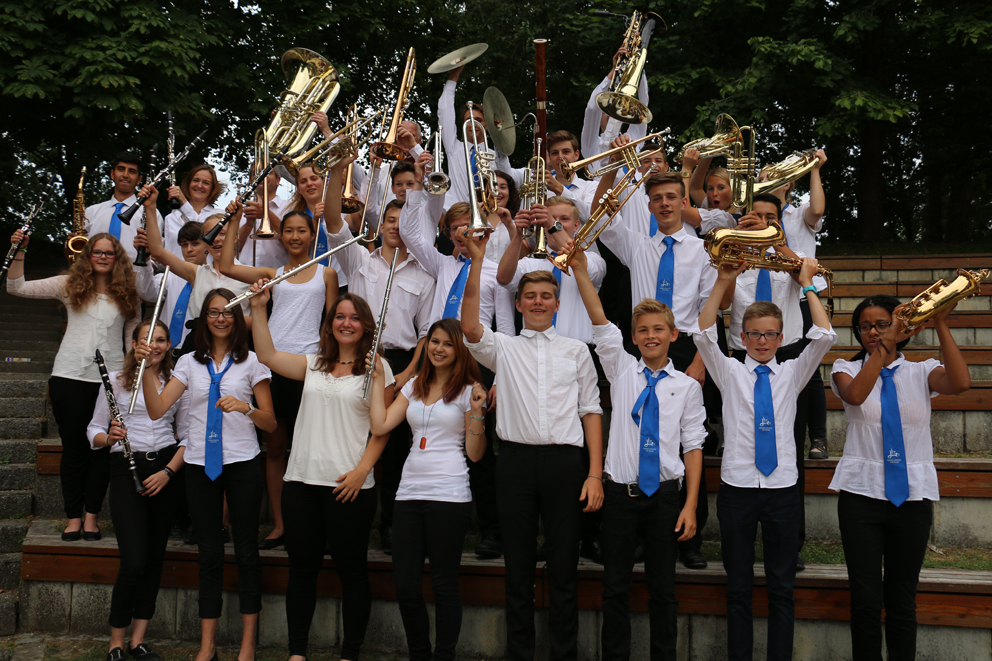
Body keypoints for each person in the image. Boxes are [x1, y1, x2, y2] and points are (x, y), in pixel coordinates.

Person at [461, 232, 604, 661]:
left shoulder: (577, 351)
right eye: (530, 297)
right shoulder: (503, 349)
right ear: (519, 304)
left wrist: (594, 473)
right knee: (518, 568)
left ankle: (564, 655)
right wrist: (477, 261)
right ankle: (519, 654)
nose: (538, 302)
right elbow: (469, 326)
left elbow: (591, 412)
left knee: (563, 568)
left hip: (565, 464)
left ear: (557, 304)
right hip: (516, 465)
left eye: (546, 296)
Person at [689, 258, 835, 661]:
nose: (762, 341)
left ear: (781, 337)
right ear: (743, 336)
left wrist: (807, 285)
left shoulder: (793, 372)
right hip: (737, 490)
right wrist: (723, 281)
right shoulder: (729, 371)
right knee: (737, 588)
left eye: (770, 334)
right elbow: (702, 333)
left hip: (782, 490)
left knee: (781, 589)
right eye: (754, 334)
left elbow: (824, 335)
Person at [570, 245, 705, 660]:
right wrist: (580, 269)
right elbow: (598, 318)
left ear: (673, 335)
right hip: (620, 497)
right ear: (633, 337)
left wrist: (690, 505)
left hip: (664, 497)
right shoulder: (621, 369)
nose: (650, 336)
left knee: (664, 589)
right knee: (615, 588)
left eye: (658, 329)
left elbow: (693, 448)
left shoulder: (687, 387)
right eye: (643, 330)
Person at [249, 286, 393, 661]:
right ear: (329, 325)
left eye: (354, 318)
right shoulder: (312, 364)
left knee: (352, 572)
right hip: (300, 484)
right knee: (302, 571)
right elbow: (266, 355)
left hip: (349, 486)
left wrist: (363, 471)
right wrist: (259, 307)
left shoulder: (377, 367)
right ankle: (297, 652)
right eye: (339, 317)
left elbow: (381, 430)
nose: (346, 323)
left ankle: (350, 654)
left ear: (366, 326)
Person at [594, 157, 725, 569]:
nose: (665, 204)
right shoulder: (637, 245)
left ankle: (690, 538)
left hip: (686, 348)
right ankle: (639, 531)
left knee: (689, 440)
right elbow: (599, 215)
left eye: (672, 197)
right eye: (657, 199)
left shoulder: (703, 251)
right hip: (643, 345)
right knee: (638, 433)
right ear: (649, 205)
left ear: (684, 202)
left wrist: (701, 362)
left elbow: (709, 311)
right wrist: (612, 165)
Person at [138, 288, 276, 661]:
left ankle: (247, 647)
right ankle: (207, 646)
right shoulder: (187, 363)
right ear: (204, 319)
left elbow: (271, 423)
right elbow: (157, 410)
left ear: (237, 319)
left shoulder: (252, 362)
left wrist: (246, 408)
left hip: (242, 463)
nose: (220, 318)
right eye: (213, 312)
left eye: (228, 311)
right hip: (200, 466)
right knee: (209, 555)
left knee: (246, 553)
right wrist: (148, 370)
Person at [830, 296, 970, 660]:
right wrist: (886, 344)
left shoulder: (922, 371)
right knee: (865, 600)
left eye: (881, 324)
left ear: (902, 328)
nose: (873, 332)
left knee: (902, 600)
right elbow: (856, 396)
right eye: (865, 326)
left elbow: (961, 382)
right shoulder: (846, 368)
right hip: (861, 495)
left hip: (911, 497)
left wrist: (940, 322)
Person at [324, 157, 436, 554]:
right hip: (357, 358)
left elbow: (426, 334)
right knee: (350, 438)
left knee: (397, 448)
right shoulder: (359, 259)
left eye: (403, 221)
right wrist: (338, 171)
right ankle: (341, 521)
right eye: (390, 219)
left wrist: (407, 375)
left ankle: (391, 526)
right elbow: (333, 222)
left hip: (402, 364)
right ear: (382, 224)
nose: (395, 226)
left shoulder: (425, 275)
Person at [219, 199, 338, 549]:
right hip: (270, 365)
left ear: (312, 235)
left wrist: (329, 363)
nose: (295, 236)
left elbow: (331, 324)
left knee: (312, 446)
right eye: (288, 231)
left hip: (308, 367)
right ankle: (280, 525)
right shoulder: (272, 274)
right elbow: (226, 266)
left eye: (302, 230)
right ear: (281, 236)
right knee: (274, 447)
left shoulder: (326, 273)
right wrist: (234, 219)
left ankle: (313, 526)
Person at [6, 230, 140, 541]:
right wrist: (20, 250)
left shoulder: (128, 294)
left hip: (109, 381)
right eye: (97, 252)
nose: (103, 257)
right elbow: (16, 287)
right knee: (75, 450)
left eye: (109, 253)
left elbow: (131, 342)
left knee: (101, 450)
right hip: (69, 377)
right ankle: (73, 518)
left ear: (117, 258)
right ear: (88, 256)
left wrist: (128, 379)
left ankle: (91, 517)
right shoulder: (69, 284)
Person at [367, 318, 487, 661]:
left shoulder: (468, 390)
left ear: (459, 349)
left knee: (444, 584)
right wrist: (378, 380)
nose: (439, 348)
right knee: (406, 586)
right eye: (434, 341)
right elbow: (380, 424)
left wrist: (477, 413)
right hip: (408, 494)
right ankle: (419, 655)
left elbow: (475, 454)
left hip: (449, 494)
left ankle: (444, 656)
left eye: (448, 343)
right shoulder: (414, 385)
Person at [87, 320, 185, 661]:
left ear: (168, 345)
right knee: (133, 561)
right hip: (125, 469)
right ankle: (116, 641)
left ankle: (137, 640)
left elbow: (188, 435)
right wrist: (108, 437)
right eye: (147, 339)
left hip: (164, 471)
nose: (154, 345)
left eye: (161, 339)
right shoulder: (116, 380)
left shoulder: (177, 382)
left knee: (154, 559)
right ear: (133, 344)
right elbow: (94, 429)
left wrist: (168, 472)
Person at [758, 150, 830, 459]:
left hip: (804, 295)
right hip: (773, 295)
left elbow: (818, 208)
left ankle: (818, 437)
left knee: (809, 369)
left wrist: (814, 168)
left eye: (772, 178)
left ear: (788, 183)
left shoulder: (798, 213)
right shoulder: (756, 214)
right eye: (761, 178)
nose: (764, 181)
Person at [78, 151, 164, 263]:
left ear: (139, 179)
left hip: (133, 272)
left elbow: (156, 259)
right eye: (121, 169)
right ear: (112, 174)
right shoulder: (91, 212)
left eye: (132, 171)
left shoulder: (152, 213)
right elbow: (78, 253)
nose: (125, 175)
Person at [164, 164, 225, 259]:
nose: (199, 186)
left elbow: (198, 232)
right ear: (188, 184)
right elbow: (168, 252)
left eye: (206, 183)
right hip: (176, 268)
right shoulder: (170, 218)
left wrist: (184, 203)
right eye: (195, 180)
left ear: (212, 189)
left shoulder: (219, 215)